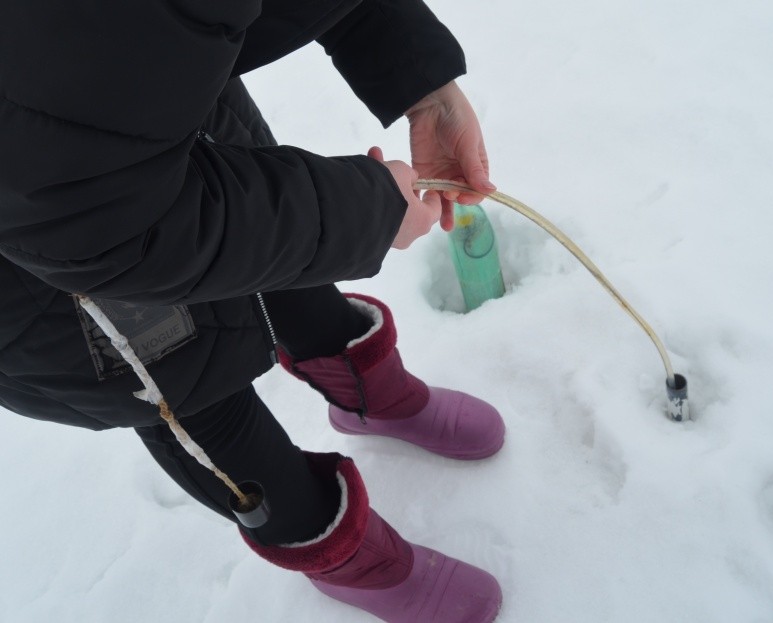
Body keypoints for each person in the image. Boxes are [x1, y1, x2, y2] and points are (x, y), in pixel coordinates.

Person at [0, 1, 504, 621]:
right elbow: (99, 226)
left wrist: (419, 77)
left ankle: (368, 395)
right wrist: (368, 212)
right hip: (49, 251)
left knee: (280, 254)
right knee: (188, 386)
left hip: (166, 111)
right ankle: (337, 552)